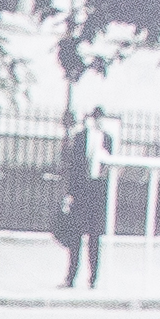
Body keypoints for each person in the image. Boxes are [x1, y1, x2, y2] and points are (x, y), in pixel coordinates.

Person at [53, 111, 104, 293]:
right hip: (81, 192)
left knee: (94, 238)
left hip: (97, 194)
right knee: (75, 237)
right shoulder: (81, 137)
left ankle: (93, 278)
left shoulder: (107, 139)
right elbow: (73, 167)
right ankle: (71, 276)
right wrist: (70, 193)